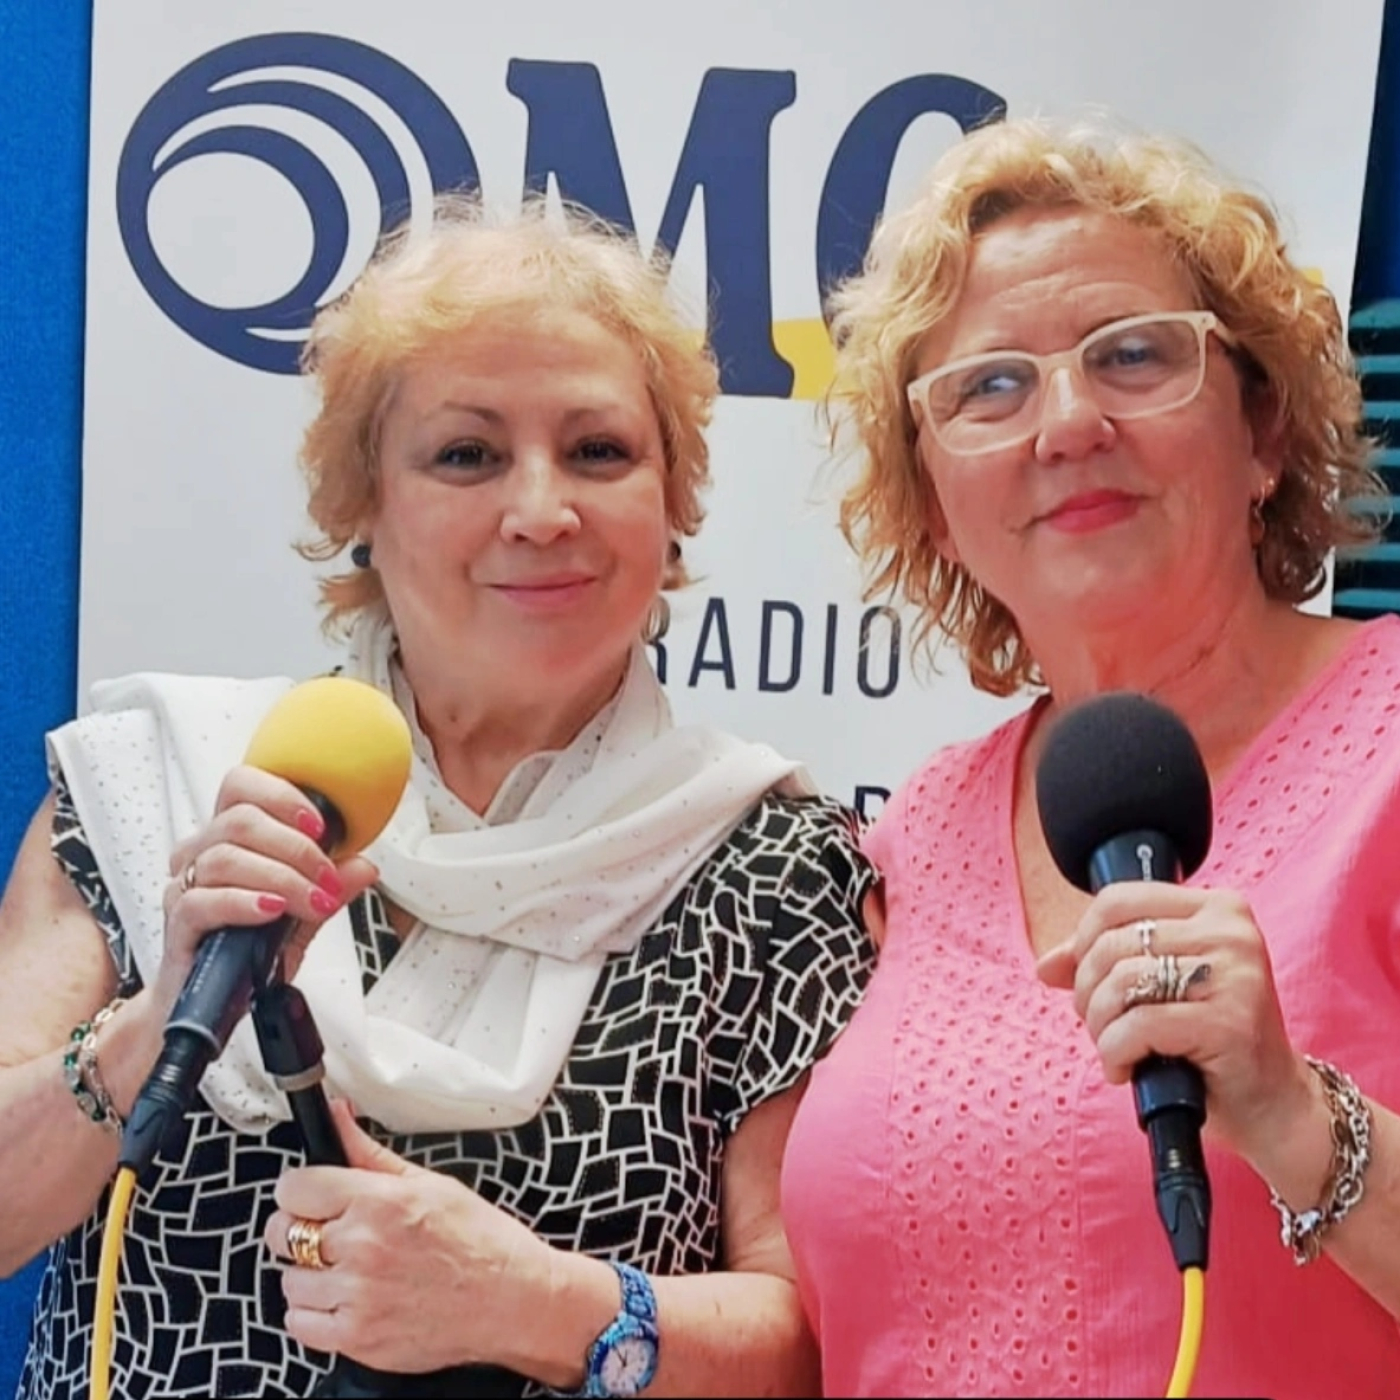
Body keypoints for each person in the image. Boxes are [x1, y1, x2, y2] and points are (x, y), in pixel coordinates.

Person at [0, 197, 876, 1399]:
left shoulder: (774, 863)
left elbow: (812, 1346)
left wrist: (536, 1303)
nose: (541, 510)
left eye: (598, 451)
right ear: (362, 502)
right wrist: (151, 1028)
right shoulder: (157, 789)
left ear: (673, 504)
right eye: (466, 454)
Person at [780, 115, 1400, 1398]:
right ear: (934, 504)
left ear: (1262, 429)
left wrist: (1294, 1117)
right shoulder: (913, 833)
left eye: (1130, 355)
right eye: (988, 387)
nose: (1064, 423)